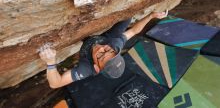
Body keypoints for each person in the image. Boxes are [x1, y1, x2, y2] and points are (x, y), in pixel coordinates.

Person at [39, 11, 168, 88]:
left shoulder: (86, 69)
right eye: (109, 51)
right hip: (106, 36)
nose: (102, 49)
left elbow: (55, 83)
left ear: (96, 67)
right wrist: (151, 15)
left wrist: (50, 62)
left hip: (88, 43)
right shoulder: (114, 44)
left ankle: (86, 38)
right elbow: (134, 31)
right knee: (128, 16)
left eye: (101, 55)